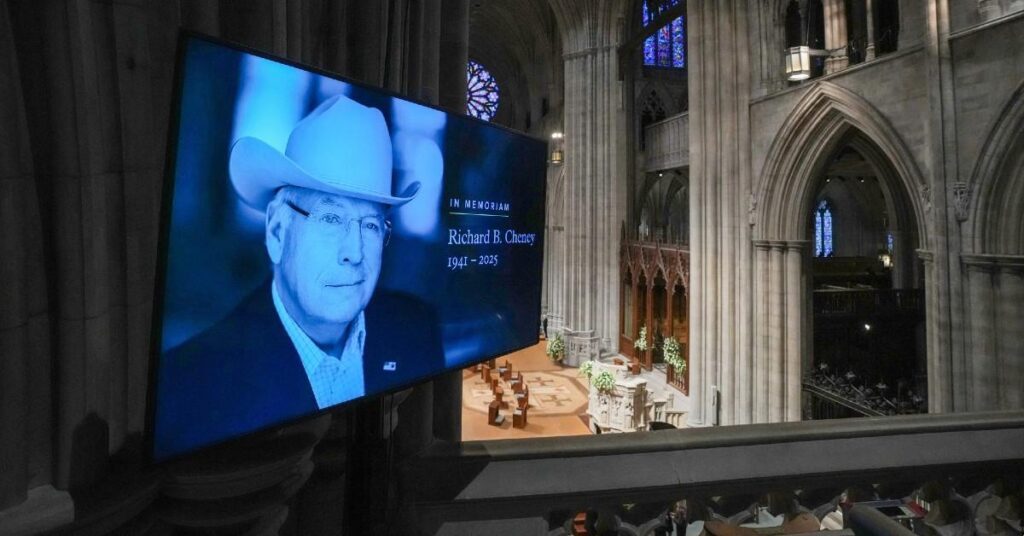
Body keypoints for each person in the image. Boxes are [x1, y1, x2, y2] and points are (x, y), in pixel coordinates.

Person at [153, 95, 444, 460]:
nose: (353, 252)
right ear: (277, 231)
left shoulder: (417, 327)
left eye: (370, 225)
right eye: (330, 219)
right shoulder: (188, 386)